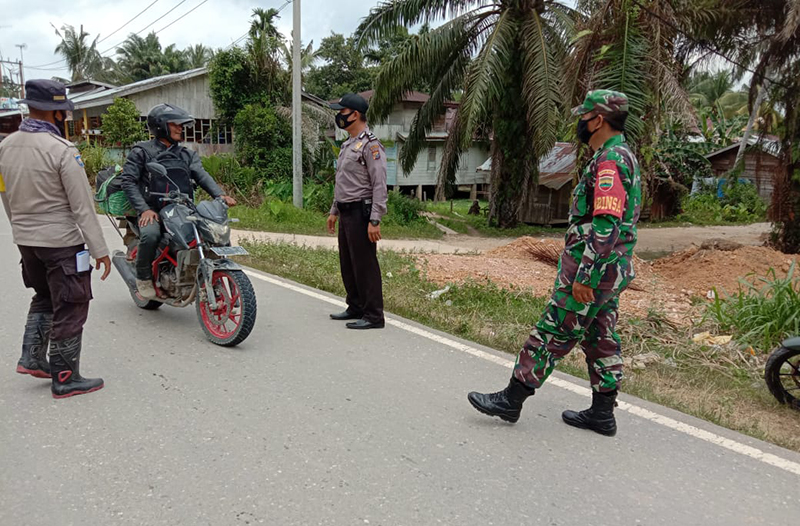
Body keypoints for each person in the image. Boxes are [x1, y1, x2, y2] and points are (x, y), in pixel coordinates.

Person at [468, 90, 642, 437]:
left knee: (553, 329)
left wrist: (586, 276)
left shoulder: (610, 161)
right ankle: (602, 412)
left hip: (593, 269)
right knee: (600, 334)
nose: (580, 122)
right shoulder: (622, 156)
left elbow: (606, 224)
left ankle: (512, 399)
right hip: (612, 269)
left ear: (599, 120)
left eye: (584, 116)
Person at [0, 79, 112, 398]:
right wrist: (99, 250)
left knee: (45, 296)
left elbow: (4, 196)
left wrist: (21, 229)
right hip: (61, 243)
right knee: (72, 304)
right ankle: (65, 377)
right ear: (58, 113)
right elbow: (82, 207)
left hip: (26, 241)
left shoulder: (4, 148)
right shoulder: (62, 150)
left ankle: (33, 357)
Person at [120, 104, 236, 299]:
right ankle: (143, 278)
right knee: (150, 234)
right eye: (175, 124)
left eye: (181, 125)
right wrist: (144, 209)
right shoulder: (142, 151)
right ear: (160, 126)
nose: (180, 128)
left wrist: (220, 195)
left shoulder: (186, 154)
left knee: (212, 232)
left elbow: (201, 175)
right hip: (152, 209)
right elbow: (128, 181)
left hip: (182, 209)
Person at [326, 93, 388, 330]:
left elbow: (379, 183)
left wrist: (375, 219)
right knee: (348, 263)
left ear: (355, 114)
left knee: (365, 264)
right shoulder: (348, 145)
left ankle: (373, 315)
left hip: (362, 213)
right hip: (345, 211)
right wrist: (334, 211)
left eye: (342, 112)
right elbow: (341, 181)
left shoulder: (371, 145)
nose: (339, 116)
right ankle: (355, 306)